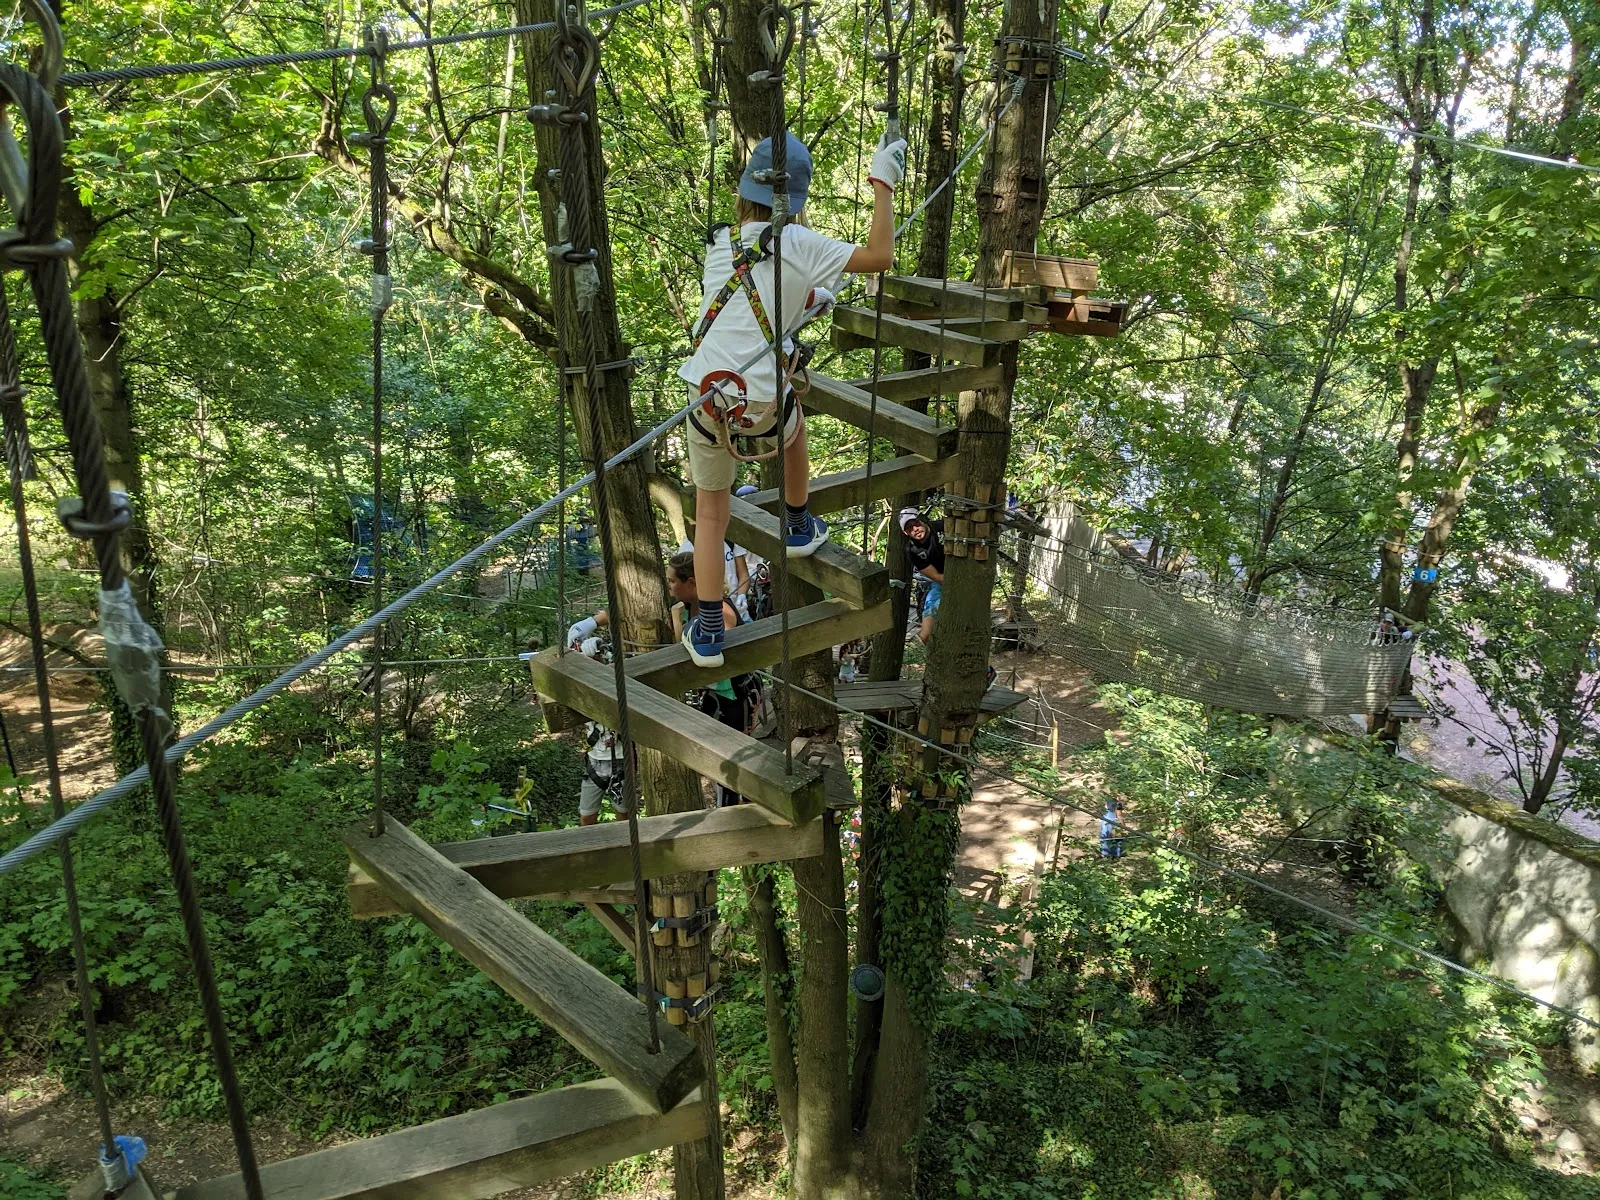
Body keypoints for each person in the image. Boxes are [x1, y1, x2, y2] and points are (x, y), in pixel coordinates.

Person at [677, 128, 907, 668]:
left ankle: (708, 632)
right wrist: (882, 185)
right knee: (794, 428)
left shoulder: (719, 243)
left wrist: (811, 299)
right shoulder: (801, 243)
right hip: (758, 399)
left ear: (743, 194)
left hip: (707, 393)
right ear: (797, 201)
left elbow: (753, 298)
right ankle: (798, 522)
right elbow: (879, 256)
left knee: (710, 515)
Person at [667, 550, 761, 806]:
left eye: (673, 581)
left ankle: (737, 813)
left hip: (734, 695)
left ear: (692, 583)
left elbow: (724, 635)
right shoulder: (689, 607)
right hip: (716, 694)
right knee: (724, 764)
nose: (670, 587)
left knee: (733, 762)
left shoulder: (719, 609)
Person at [574, 635, 630, 825]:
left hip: (621, 758)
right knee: (587, 816)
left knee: (624, 815)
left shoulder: (618, 682)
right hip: (595, 760)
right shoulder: (581, 687)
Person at [900, 508, 945, 645]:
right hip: (942, 582)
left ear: (922, 520)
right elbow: (937, 577)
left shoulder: (941, 527)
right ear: (905, 532)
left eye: (916, 524)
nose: (915, 529)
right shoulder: (913, 550)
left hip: (967, 572)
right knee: (925, 635)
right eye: (909, 528)